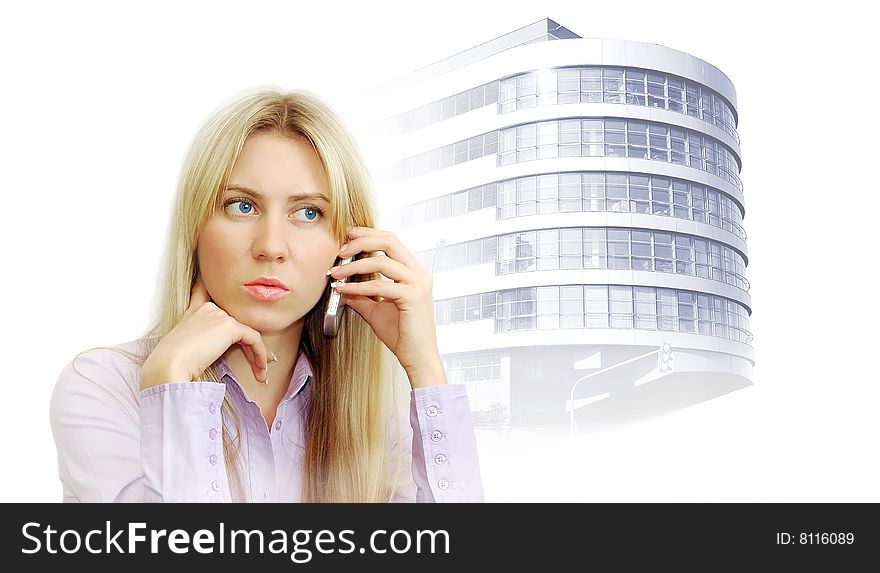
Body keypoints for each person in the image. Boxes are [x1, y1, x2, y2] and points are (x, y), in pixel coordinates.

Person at [49, 87, 485, 503]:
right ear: (195, 228)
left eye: (308, 212)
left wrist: (426, 368)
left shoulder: (376, 414)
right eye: (242, 205)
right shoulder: (102, 387)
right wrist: (172, 384)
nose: (271, 246)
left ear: (350, 245)